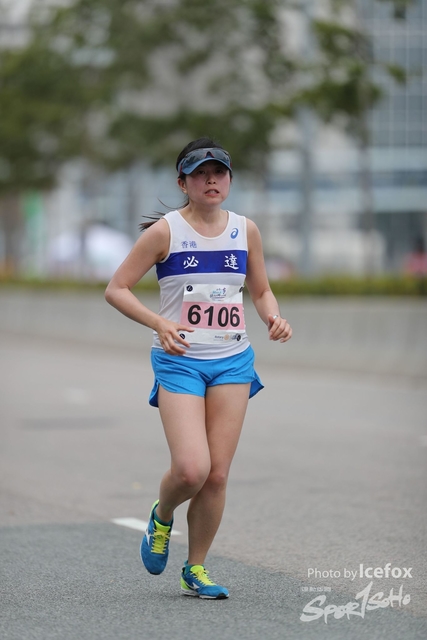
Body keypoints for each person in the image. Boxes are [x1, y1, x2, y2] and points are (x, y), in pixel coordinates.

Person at [105, 137, 292, 599]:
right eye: (200, 173)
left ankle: (196, 568)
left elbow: (260, 290)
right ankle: (162, 515)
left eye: (219, 172)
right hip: (180, 361)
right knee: (191, 470)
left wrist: (273, 316)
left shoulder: (245, 230)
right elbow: (117, 288)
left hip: (232, 360)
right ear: (182, 183)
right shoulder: (165, 232)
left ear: (229, 180)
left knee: (217, 474)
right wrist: (159, 322)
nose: (211, 180)